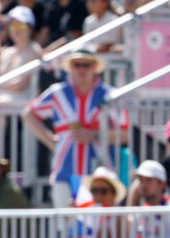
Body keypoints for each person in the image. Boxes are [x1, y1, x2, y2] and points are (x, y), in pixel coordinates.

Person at [23, 47, 126, 207]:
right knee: (66, 227)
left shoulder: (109, 95)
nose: (82, 69)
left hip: (100, 176)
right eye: (77, 65)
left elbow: (125, 133)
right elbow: (28, 114)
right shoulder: (57, 93)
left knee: (98, 228)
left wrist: (95, 135)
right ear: (71, 68)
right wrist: (50, 141)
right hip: (64, 171)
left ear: (95, 68)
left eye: (87, 65)